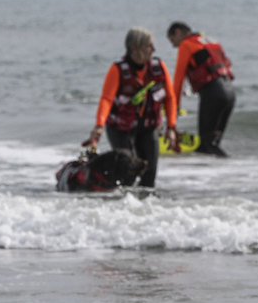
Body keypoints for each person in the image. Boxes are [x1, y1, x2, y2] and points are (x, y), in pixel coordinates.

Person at [83, 27, 179, 188]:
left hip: (148, 128)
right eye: (149, 46)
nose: (153, 49)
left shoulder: (158, 67)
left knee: (149, 174)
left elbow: (170, 98)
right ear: (135, 48)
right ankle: (123, 208)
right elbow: (106, 99)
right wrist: (99, 126)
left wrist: (171, 127)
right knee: (127, 175)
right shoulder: (118, 69)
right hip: (120, 129)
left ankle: (146, 210)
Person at [166, 21, 236, 157]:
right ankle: (221, 173)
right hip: (230, 94)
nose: (174, 45)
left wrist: (173, 108)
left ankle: (231, 167)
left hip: (214, 94)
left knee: (206, 145)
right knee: (212, 144)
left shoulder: (186, 45)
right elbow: (227, 65)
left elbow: (179, 78)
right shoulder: (212, 42)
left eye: (173, 40)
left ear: (179, 32)